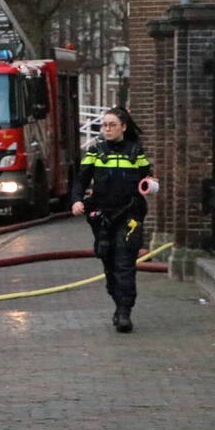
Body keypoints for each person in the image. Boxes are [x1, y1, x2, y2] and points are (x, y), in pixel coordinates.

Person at [70, 107, 156, 333]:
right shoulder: (95, 151)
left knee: (125, 262)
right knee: (108, 261)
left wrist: (150, 183)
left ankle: (125, 312)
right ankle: (118, 304)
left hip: (129, 215)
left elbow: (148, 177)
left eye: (112, 125)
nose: (107, 129)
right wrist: (77, 201)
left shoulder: (135, 151)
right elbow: (81, 180)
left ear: (123, 127)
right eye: (104, 125)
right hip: (103, 216)